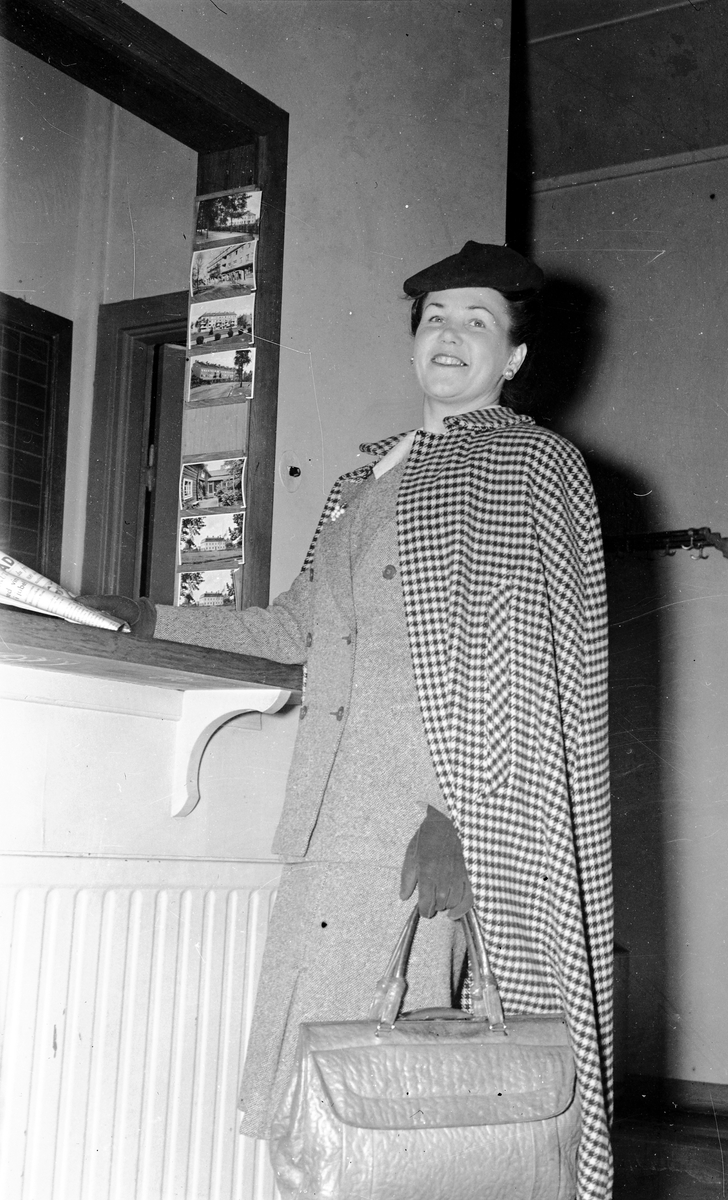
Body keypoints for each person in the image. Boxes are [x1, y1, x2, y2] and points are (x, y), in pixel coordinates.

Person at [89, 241, 613, 1199]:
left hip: (426, 831)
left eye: (479, 321)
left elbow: (527, 665)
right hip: (336, 819)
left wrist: (459, 822)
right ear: (413, 340)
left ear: (514, 357)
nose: (450, 334)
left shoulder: (530, 462)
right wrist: (140, 617)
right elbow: (294, 627)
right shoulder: (363, 482)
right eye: (436, 317)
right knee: (324, 1098)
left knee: (410, 1112)